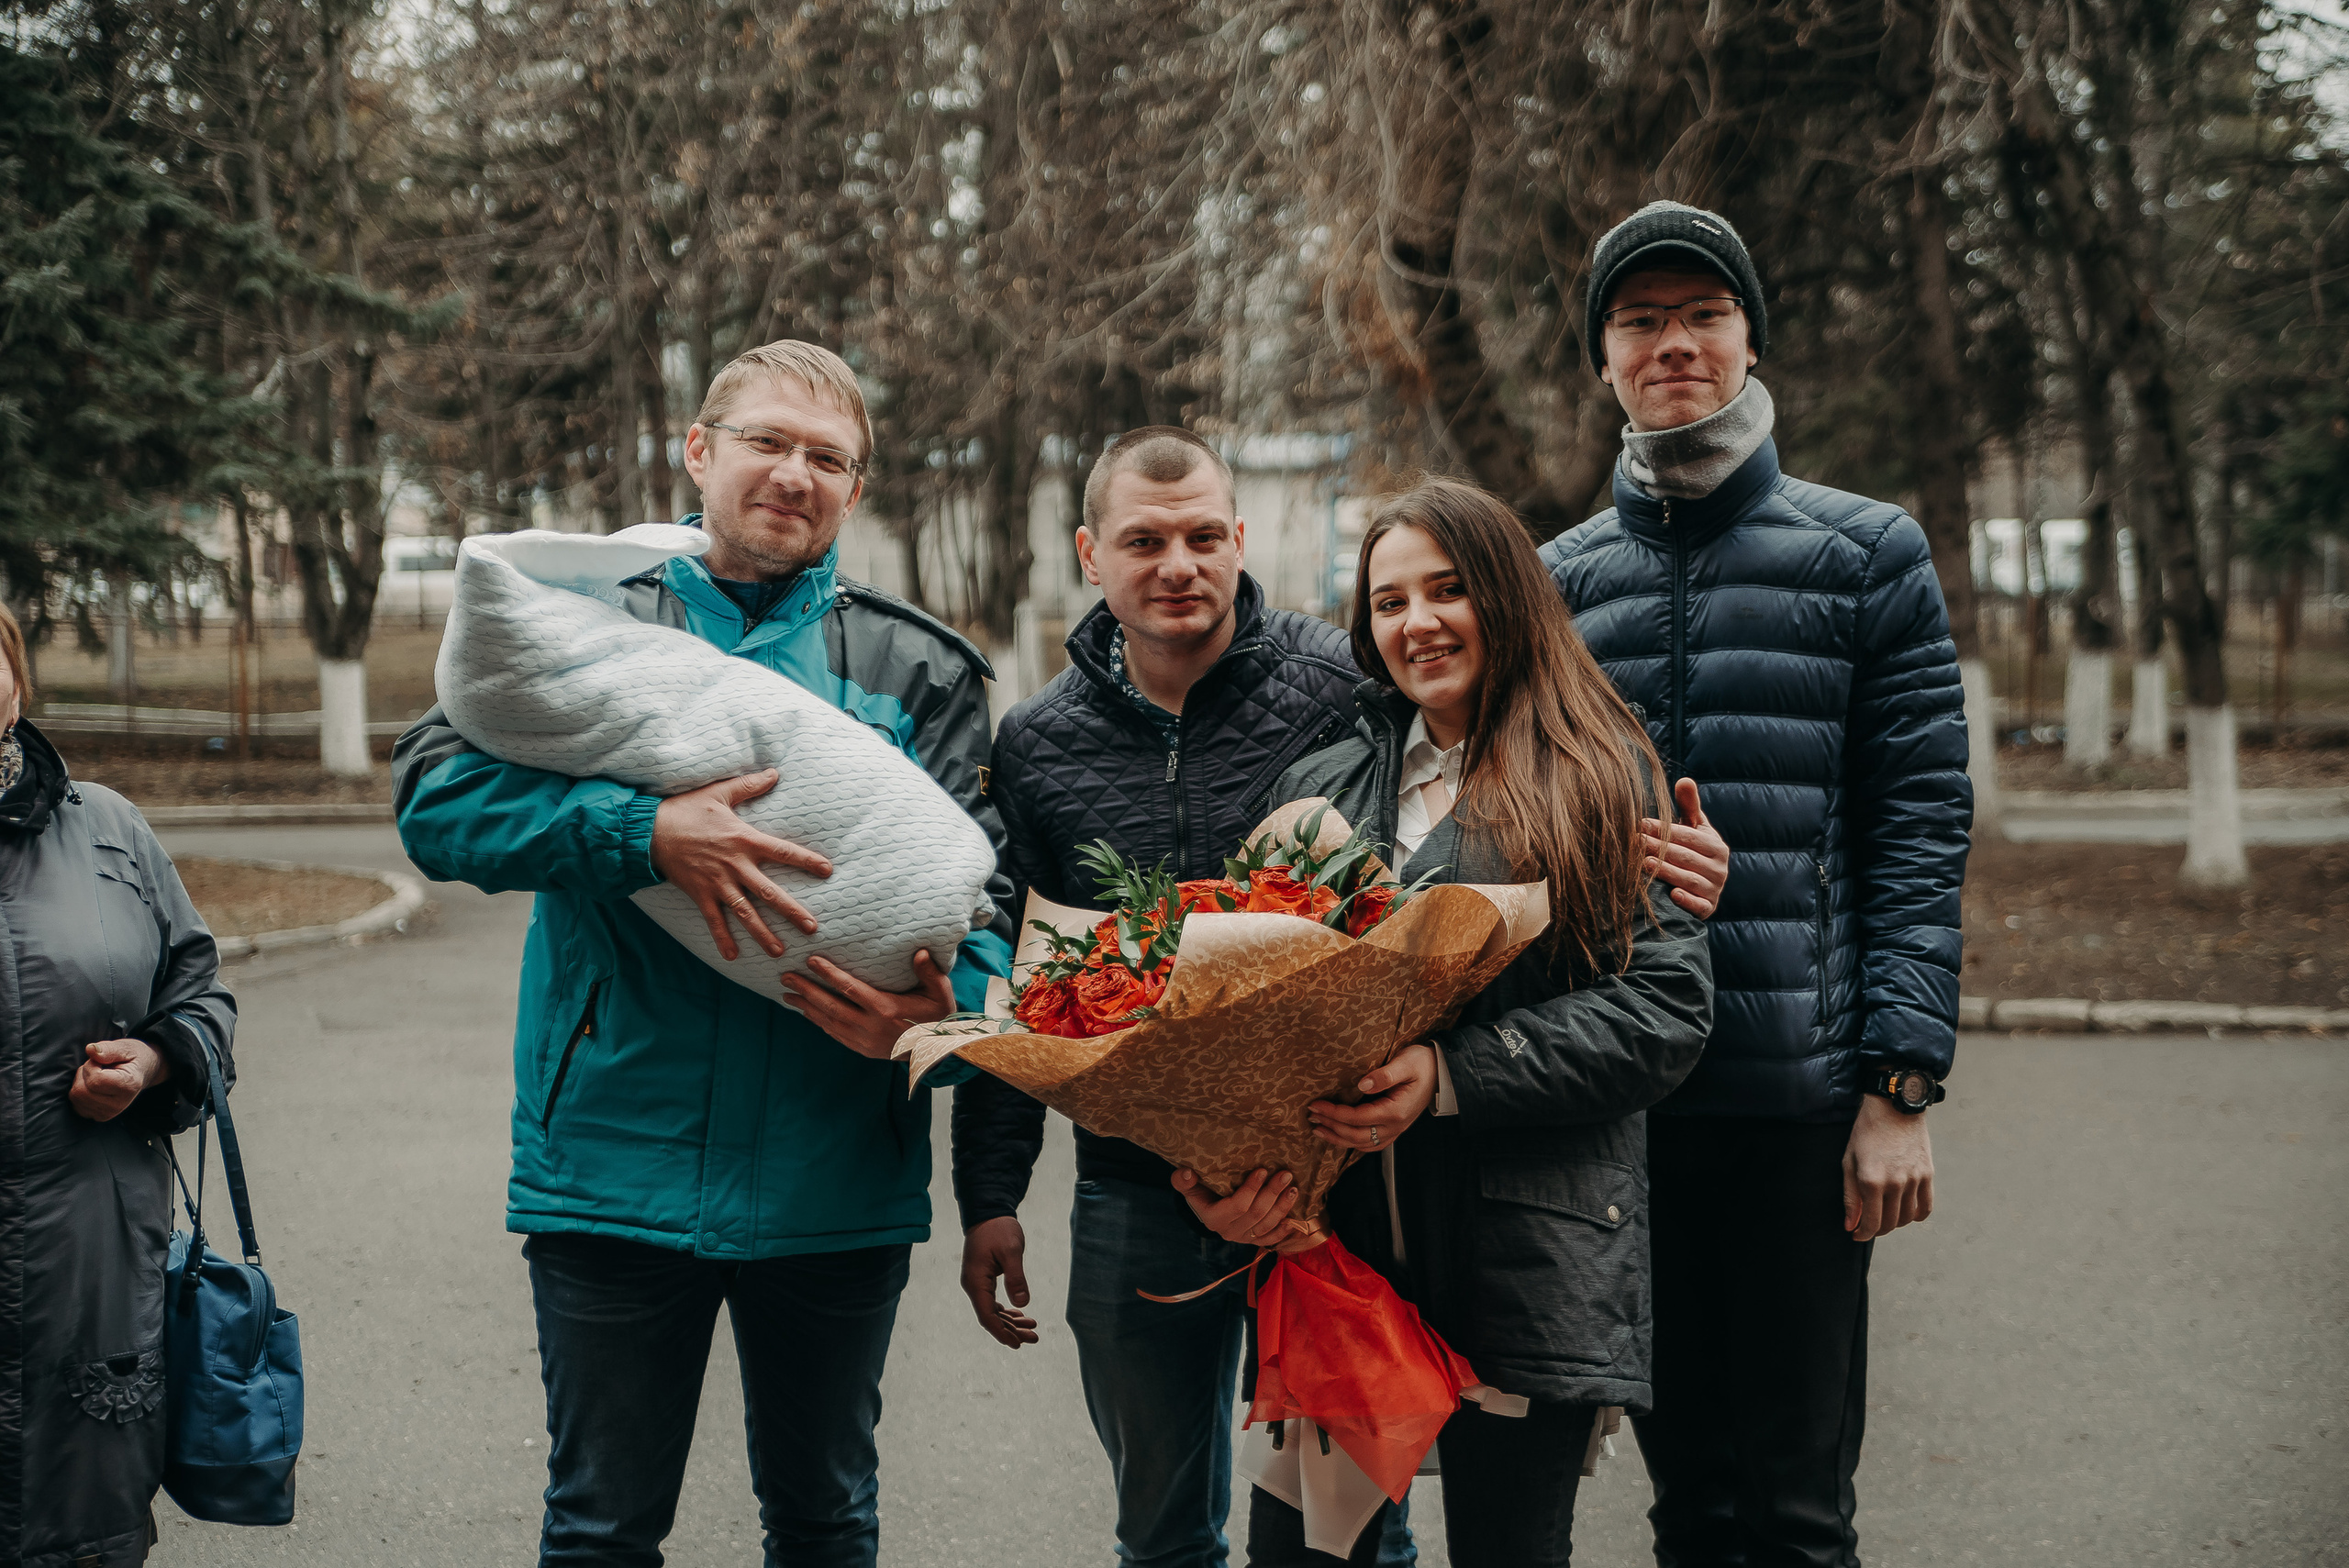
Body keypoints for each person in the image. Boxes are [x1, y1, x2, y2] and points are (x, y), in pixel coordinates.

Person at [392, 339, 1013, 1568]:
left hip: (835, 1182)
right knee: (603, 1528)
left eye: (827, 457)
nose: (794, 474)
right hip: (616, 1165)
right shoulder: (575, 615)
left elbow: (990, 925)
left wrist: (929, 1033)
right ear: (698, 450)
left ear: (858, 485)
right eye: (766, 442)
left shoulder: (919, 669)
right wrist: (644, 831)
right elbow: (434, 801)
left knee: (826, 1523)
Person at [1542, 200, 1972, 1566]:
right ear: (1604, 357)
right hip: (1624, 1113)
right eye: (1640, 320)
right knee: (1690, 1508)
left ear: (1749, 338)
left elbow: (1917, 831)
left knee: (1794, 1513)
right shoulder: (1556, 583)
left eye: (1702, 315)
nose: (1674, 342)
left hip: (1795, 1111)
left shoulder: (1867, 554)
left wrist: (1899, 1086)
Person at [1177, 478, 1713, 1568]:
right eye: (1387, 602)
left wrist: (1450, 1072)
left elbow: (1664, 1006)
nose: (1416, 621)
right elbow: (1247, 1015)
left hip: (1523, 1260)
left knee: (1508, 1550)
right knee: (1304, 1553)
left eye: (1448, 589)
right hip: (1345, 1265)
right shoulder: (1323, 783)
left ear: (1507, 597)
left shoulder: (1602, 775)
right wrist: (1224, 1164)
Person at [948, 426, 1417, 1568]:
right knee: (1161, 1534)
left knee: (1344, 1535)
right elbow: (1025, 983)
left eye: (1205, 536)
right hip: (1134, 1188)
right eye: (1145, 540)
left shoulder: (1342, 688)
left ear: (1239, 540)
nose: (1179, 564)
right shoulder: (1039, 741)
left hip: (1330, 1176)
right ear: (1090, 553)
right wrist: (989, 1191)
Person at [0, 600, 239, 1567]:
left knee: (82, 1532)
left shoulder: (107, 828)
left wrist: (155, 1062)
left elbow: (202, 997)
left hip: (92, 1261)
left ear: (16, 678)